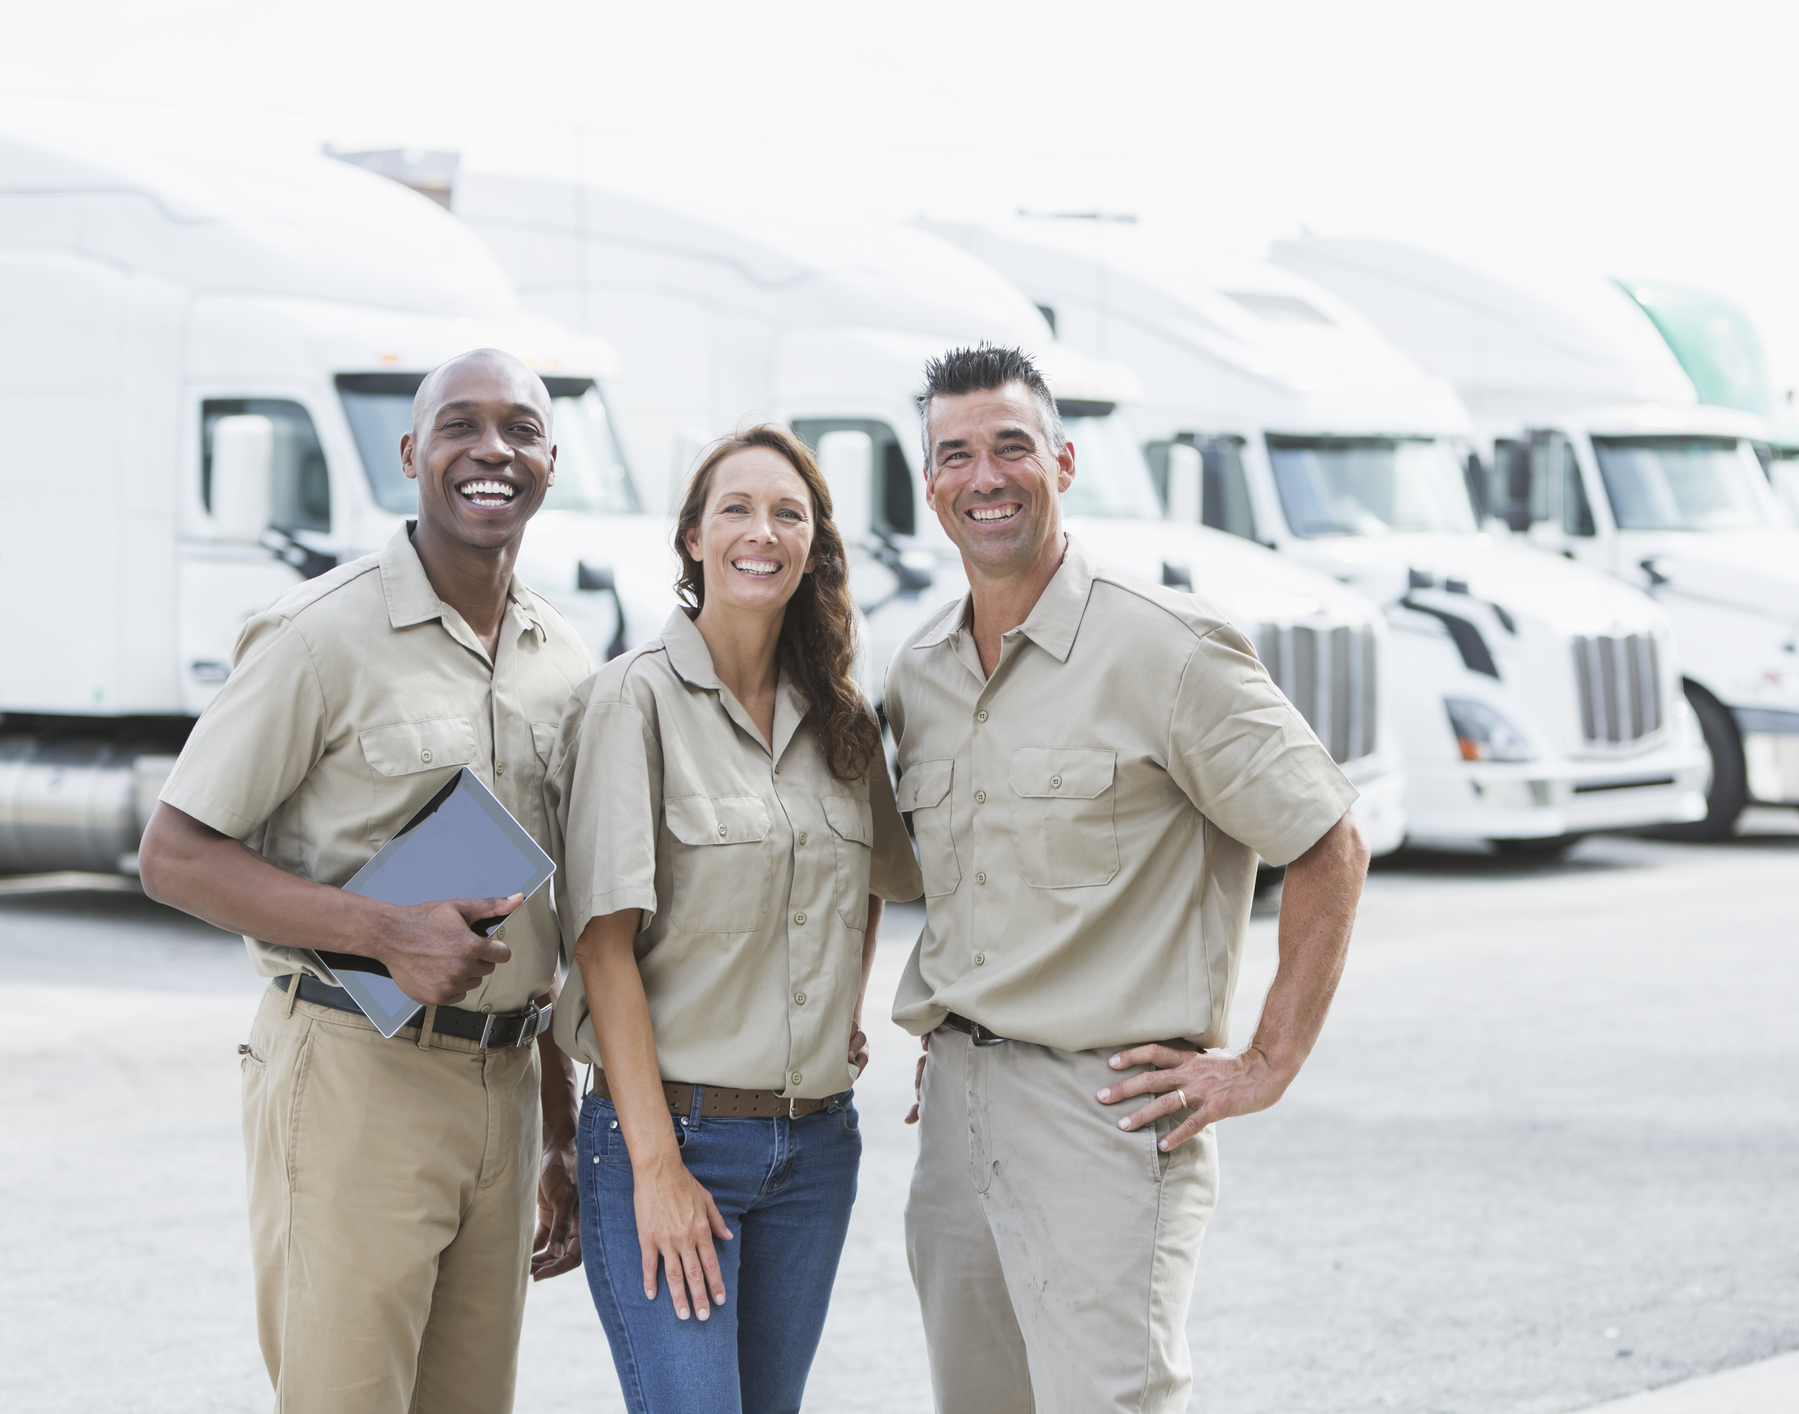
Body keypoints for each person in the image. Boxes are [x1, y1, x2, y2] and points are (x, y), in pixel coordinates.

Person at [888, 345, 1371, 1413]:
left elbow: (1329, 839)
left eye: (1012, 447)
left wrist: (1267, 1062)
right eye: (955, 454)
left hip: (1100, 1115)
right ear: (930, 486)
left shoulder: (1166, 647)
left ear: (1062, 461)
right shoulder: (919, 671)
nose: (985, 477)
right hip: (957, 1117)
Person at [137, 348, 593, 1413]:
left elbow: (544, 920)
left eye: (520, 428)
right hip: (353, 1075)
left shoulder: (562, 658)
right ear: (409, 454)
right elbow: (175, 854)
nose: (492, 450)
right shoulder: (318, 636)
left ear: (551, 460)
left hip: (508, 1087)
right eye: (460, 426)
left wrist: (560, 1129)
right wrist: (385, 932)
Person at [552, 425, 921, 1414]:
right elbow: (600, 945)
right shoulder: (632, 704)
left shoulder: (841, 719)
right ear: (692, 539)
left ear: (812, 546)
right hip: (676, 1134)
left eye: (788, 513)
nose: (764, 532)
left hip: (815, 1149)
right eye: (737, 510)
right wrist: (657, 1169)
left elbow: (876, 873)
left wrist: (839, 1002)